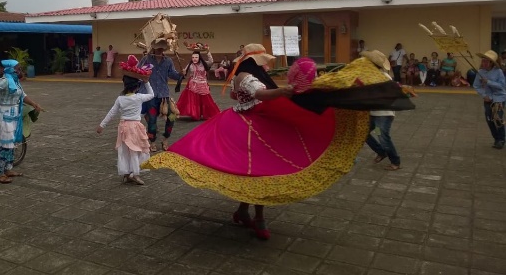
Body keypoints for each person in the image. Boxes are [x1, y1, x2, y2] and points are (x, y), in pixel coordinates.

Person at [144, 44, 413, 240]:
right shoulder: (245, 76)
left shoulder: (253, 74)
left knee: (258, 171)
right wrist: (285, 90)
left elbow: (267, 92)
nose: (266, 65)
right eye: (262, 61)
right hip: (246, 125)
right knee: (260, 170)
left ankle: (244, 212)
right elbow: (260, 94)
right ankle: (257, 217)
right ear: (253, 60)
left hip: (259, 122)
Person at [0, 60, 43, 184]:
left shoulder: (14, 81)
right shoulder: (5, 80)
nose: (20, 71)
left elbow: (22, 95)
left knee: (10, 143)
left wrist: (34, 104)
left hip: (11, 115)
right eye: (18, 69)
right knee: (2, 144)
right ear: (11, 69)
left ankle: (7, 169)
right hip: (2, 114)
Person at [97, 74, 154, 184]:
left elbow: (112, 112)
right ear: (137, 87)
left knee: (124, 151)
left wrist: (102, 125)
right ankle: (135, 174)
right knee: (135, 150)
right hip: (135, 127)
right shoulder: (139, 97)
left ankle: (127, 173)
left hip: (123, 127)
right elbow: (152, 94)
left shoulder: (120, 99)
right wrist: (147, 82)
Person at [138, 40, 183, 152]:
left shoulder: (168, 61)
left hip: (164, 95)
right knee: (152, 120)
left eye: (162, 49)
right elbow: (137, 72)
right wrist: (143, 74)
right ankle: (152, 142)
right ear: (153, 48)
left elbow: (173, 74)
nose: (160, 51)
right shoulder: (146, 59)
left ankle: (165, 139)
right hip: (150, 95)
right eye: (158, 49)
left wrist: (180, 75)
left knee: (172, 117)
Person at [361, 50, 402, 171]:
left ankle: (395, 162)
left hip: (383, 114)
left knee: (383, 137)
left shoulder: (383, 77)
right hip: (373, 114)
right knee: (364, 133)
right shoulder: (368, 77)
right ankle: (381, 152)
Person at [473, 50, 506, 149]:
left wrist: (489, 82)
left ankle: (501, 139)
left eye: (486, 61)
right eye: (482, 61)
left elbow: (502, 86)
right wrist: (484, 95)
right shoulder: (480, 72)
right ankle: (496, 138)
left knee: (498, 119)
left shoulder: (498, 71)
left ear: (491, 63)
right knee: (489, 120)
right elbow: (476, 86)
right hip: (488, 99)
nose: (483, 63)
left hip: (499, 98)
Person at [177, 50, 220, 121]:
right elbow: (185, 72)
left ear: (199, 58)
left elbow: (211, 61)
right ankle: (195, 113)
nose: (194, 59)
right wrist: (183, 72)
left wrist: (208, 51)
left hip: (202, 84)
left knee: (206, 100)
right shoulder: (190, 65)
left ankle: (205, 113)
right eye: (193, 57)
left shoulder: (204, 64)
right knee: (194, 100)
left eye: (196, 57)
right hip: (193, 84)